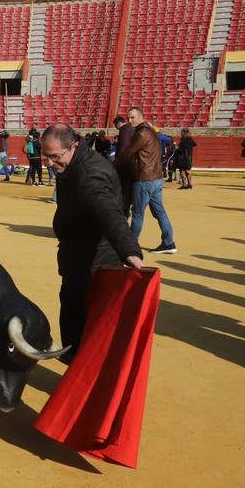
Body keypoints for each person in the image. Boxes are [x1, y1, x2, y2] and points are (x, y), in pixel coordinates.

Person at [41, 124, 144, 357]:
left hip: (95, 263)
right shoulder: (72, 163)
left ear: (73, 146)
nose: (48, 163)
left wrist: (129, 250)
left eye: (54, 157)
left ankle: (81, 376)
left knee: (87, 326)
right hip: (78, 257)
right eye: (45, 156)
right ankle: (75, 364)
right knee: (72, 317)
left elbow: (108, 212)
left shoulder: (89, 175)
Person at [115, 107, 176, 255]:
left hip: (144, 179)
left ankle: (130, 247)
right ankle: (169, 243)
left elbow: (128, 153)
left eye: (132, 118)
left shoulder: (141, 133)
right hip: (156, 178)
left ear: (141, 117)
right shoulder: (151, 131)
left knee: (137, 214)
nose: (129, 121)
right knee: (159, 212)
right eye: (128, 118)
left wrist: (112, 165)